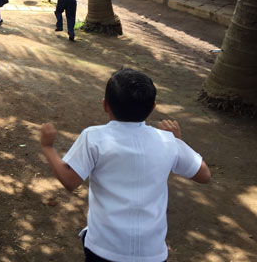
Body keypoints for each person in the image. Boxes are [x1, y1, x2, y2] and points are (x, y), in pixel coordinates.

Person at [40, 68, 211, 262]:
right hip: (152, 251)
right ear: (153, 107)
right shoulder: (168, 141)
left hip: (104, 248)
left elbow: (70, 181)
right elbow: (204, 175)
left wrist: (48, 147)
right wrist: (178, 141)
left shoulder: (94, 137)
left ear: (105, 105)